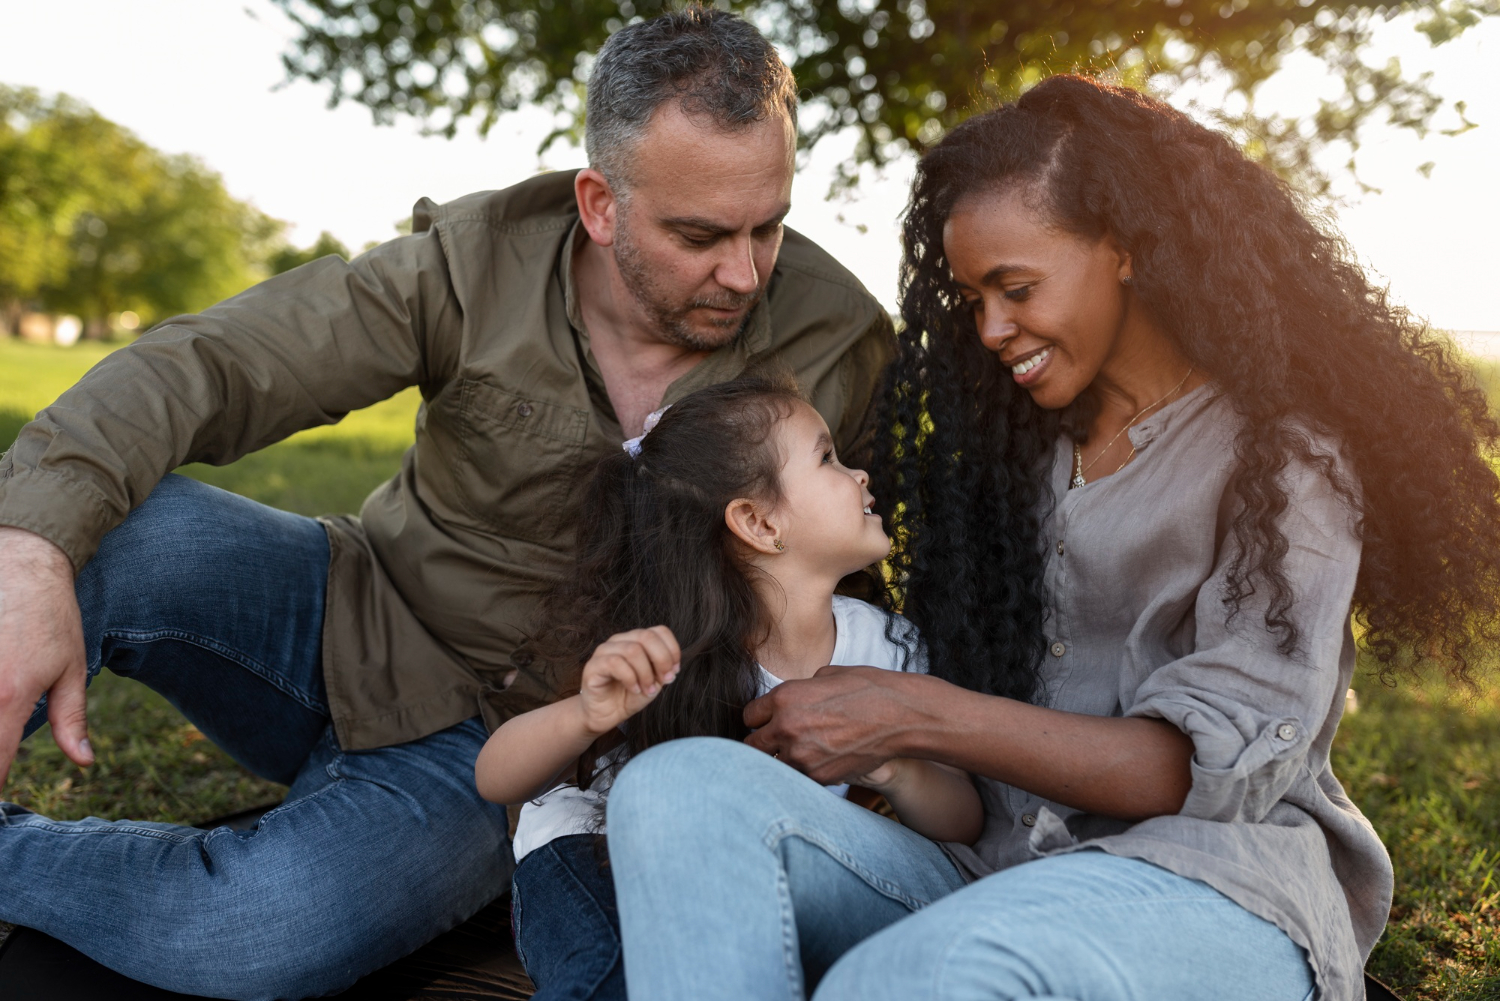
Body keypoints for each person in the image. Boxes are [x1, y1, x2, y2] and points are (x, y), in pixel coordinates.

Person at [0, 10, 894, 999]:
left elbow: (886, 568)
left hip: (521, 756)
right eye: (700, 234)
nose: (744, 271)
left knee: (259, 926)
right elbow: (217, 363)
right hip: (352, 618)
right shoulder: (474, 264)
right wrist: (30, 546)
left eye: (769, 225)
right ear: (600, 204)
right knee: (102, 530)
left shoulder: (839, 340)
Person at [603, 75, 1500, 1001]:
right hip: (983, 870)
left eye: (1017, 287)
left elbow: (1203, 768)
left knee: (911, 976)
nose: (992, 328)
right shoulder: (1011, 453)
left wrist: (913, 712)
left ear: (1125, 249)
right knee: (674, 789)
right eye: (972, 297)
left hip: (1212, 879)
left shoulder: (1282, 462)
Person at [474, 372, 982, 1000]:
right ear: (759, 523)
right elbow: (496, 779)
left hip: (743, 874)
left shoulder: (885, 648)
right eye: (827, 458)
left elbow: (962, 819)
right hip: (596, 857)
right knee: (613, 976)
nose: (860, 475)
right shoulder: (674, 646)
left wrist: (893, 766)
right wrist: (585, 713)